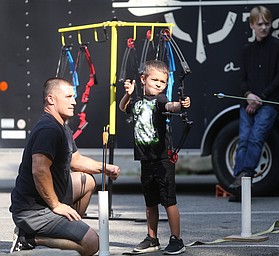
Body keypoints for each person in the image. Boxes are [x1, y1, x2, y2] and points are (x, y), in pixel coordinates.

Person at [9, 77, 120, 255]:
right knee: (92, 244)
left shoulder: (62, 127)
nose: (74, 102)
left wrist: (105, 168)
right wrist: (56, 205)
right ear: (51, 99)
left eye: (74, 97)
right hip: (32, 210)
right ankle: (27, 239)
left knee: (87, 181)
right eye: (68, 97)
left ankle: (68, 227)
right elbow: (39, 170)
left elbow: (75, 161)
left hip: (46, 201)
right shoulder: (49, 129)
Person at [119, 60, 191, 255]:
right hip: (146, 160)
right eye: (155, 80)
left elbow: (171, 106)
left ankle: (177, 239)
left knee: (168, 200)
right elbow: (123, 107)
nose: (159, 84)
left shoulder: (160, 100)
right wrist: (128, 93)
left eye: (163, 81)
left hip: (163, 160)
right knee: (150, 202)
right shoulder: (138, 102)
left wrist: (182, 105)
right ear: (143, 79)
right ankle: (152, 239)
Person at [228, 6, 279, 201]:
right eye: (259, 24)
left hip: (268, 102)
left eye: (267, 24)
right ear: (252, 25)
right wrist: (248, 95)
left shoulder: (278, 46)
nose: (264, 27)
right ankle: (238, 180)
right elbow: (242, 79)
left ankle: (244, 177)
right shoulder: (247, 51)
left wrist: (260, 97)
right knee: (243, 138)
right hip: (249, 102)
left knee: (255, 137)